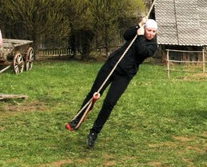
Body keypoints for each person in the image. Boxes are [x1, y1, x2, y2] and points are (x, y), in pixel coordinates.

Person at [66, 18, 158, 149]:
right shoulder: (138, 33)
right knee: (94, 94)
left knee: (109, 103)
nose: (150, 33)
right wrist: (138, 25)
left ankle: (94, 132)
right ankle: (77, 120)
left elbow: (141, 51)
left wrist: (140, 36)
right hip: (111, 66)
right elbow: (126, 35)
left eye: (153, 32)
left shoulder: (152, 46)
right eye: (149, 30)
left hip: (124, 75)